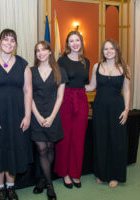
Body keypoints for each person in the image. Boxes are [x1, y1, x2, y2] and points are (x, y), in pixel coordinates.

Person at [0, 29, 32, 200]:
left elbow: (28, 91)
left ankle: (11, 187)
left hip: (17, 116)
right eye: (5, 39)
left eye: (12, 40)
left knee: (14, 150)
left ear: (16, 44)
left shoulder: (23, 64)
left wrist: (28, 116)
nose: (9, 43)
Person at [85, 39, 131, 188]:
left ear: (117, 50)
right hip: (99, 108)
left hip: (117, 108)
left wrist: (126, 110)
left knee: (117, 142)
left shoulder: (125, 68)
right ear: (103, 52)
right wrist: (73, 85)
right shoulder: (97, 67)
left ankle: (115, 175)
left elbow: (127, 90)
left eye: (111, 48)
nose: (109, 51)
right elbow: (92, 87)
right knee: (101, 140)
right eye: (106, 49)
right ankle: (101, 173)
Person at [31, 41, 67, 200]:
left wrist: (52, 117)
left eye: (43, 50)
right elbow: (28, 96)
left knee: (50, 148)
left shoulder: (59, 70)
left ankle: (42, 180)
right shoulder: (30, 71)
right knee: (41, 149)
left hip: (53, 115)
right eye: (38, 51)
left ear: (50, 52)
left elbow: (60, 97)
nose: (40, 53)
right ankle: (50, 186)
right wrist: (38, 116)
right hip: (36, 115)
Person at [54, 31, 90, 189]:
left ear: (81, 42)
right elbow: (56, 84)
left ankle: (75, 173)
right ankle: (65, 173)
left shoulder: (86, 62)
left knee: (79, 138)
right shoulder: (61, 61)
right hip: (66, 99)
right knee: (65, 138)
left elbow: (86, 84)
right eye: (71, 40)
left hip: (81, 99)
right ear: (67, 44)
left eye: (77, 40)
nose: (75, 43)